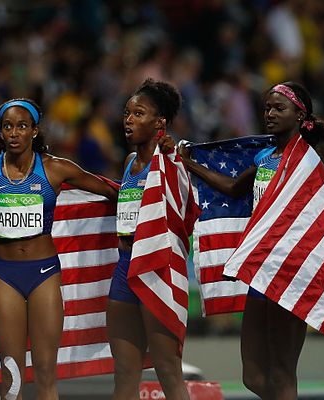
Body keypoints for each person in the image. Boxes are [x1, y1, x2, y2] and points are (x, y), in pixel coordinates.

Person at [0, 98, 118, 400]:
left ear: (35, 131)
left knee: (45, 375)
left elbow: (111, 191)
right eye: (8, 127)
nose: (14, 133)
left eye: (22, 127)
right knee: (12, 379)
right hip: (5, 277)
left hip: (44, 275)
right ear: (1, 132)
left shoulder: (56, 169)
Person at [180, 82, 324, 400]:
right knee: (253, 375)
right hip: (260, 271)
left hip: (288, 273)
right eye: (267, 108)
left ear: (301, 115)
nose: (270, 114)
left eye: (279, 108)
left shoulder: (306, 162)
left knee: (282, 371)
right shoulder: (266, 156)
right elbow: (234, 188)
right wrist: (189, 163)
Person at [107, 78, 190, 400]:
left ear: (160, 122)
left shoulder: (173, 160)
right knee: (124, 373)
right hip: (125, 266)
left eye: (138, 113)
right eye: (127, 112)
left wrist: (172, 156)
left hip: (159, 267)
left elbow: (185, 212)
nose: (128, 119)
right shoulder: (129, 162)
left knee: (168, 370)